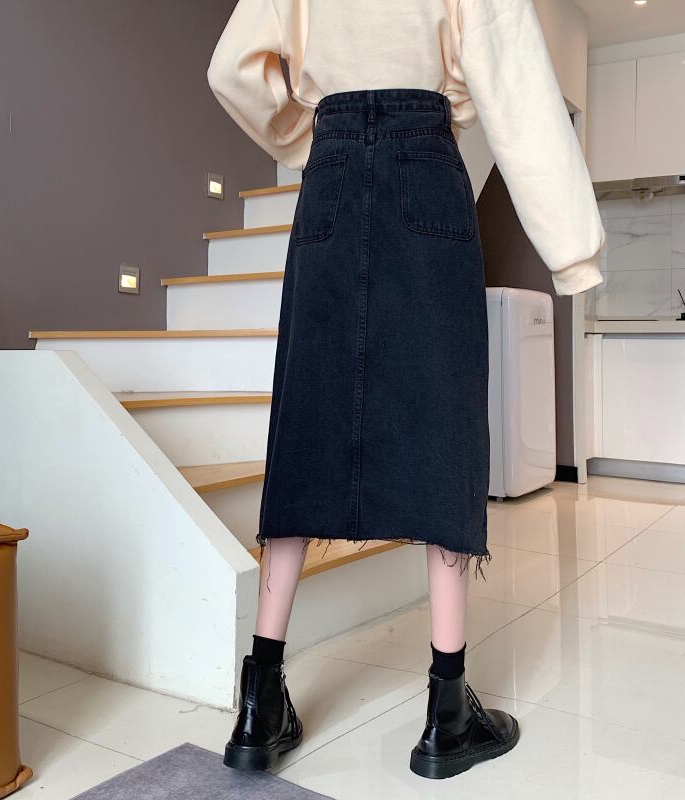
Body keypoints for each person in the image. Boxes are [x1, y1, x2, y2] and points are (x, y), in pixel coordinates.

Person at [207, 0, 604, 780]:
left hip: (330, 169)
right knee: (440, 420)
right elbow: (516, 84)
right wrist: (573, 252)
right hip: (424, 160)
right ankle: (447, 712)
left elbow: (231, 70)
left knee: (306, 424)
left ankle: (259, 705)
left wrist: (305, 136)